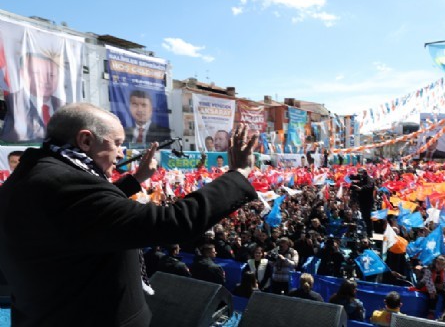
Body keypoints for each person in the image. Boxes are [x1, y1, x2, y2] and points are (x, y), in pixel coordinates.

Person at [0, 103, 258, 326]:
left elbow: (86, 216)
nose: (122, 153)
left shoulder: (37, 173)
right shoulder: (65, 185)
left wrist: (135, 181)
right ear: (86, 140)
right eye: (117, 143)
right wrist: (238, 175)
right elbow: (172, 222)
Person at [1, 52, 63, 142]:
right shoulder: (11, 103)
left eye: (51, 75)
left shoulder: (66, 107)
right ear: (23, 74)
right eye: (37, 73)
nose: (45, 80)